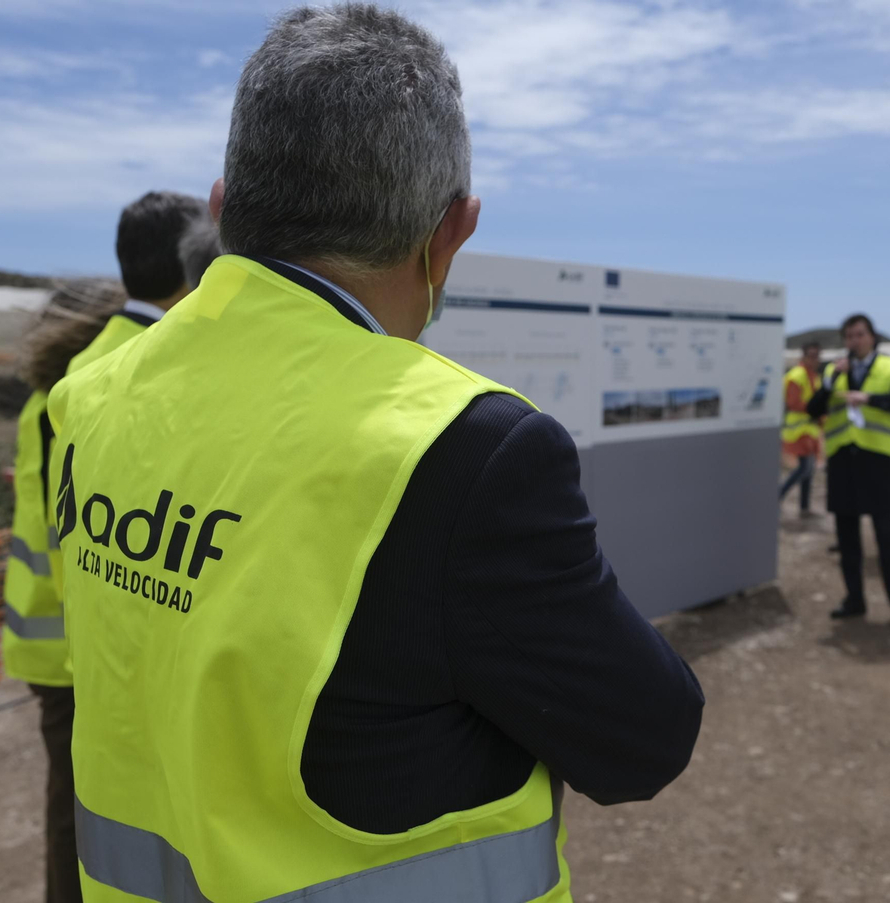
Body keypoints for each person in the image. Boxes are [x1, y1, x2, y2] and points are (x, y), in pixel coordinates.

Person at [46, 7, 704, 901]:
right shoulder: (464, 450)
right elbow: (645, 740)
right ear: (452, 231)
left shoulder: (89, 399)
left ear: (222, 206)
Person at [1, 190, 210, 903]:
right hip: (81, 646)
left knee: (91, 809)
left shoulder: (86, 360)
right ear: (195, 265)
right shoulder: (131, 373)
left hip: (60, 637)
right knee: (90, 817)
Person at [805, 313, 890, 628]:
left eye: (860, 334)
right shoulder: (832, 372)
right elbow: (814, 409)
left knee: (886, 540)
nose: (855, 340)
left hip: (877, 462)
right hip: (843, 462)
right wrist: (828, 383)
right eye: (850, 336)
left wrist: (870, 398)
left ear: (872, 337)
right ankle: (854, 599)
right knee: (847, 540)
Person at [780, 340, 824, 517]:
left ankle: (804, 507)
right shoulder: (796, 376)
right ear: (803, 356)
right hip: (799, 430)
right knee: (804, 468)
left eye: (816, 356)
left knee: (809, 469)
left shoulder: (815, 377)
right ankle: (779, 494)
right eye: (810, 356)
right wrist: (814, 411)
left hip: (810, 429)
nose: (814, 360)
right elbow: (793, 402)